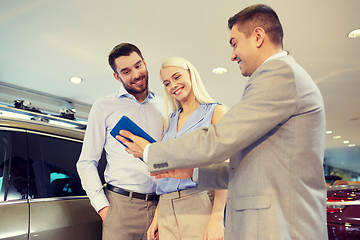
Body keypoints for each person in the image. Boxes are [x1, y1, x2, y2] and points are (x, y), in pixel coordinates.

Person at [118, 4, 328, 240]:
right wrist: (193, 172)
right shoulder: (281, 75)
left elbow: (218, 139)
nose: (232, 55)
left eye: (234, 43)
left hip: (281, 225)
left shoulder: (280, 73)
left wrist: (150, 152)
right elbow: (247, 167)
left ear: (258, 37)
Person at [76, 43, 164, 240]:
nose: (136, 74)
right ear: (117, 76)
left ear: (145, 63)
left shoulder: (164, 106)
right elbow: (86, 162)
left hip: (160, 206)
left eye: (138, 65)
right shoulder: (103, 107)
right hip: (121, 207)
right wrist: (103, 208)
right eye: (126, 71)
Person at [146, 57, 227, 240]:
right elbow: (164, 176)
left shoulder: (216, 112)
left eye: (177, 77)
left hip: (199, 202)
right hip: (167, 206)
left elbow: (225, 169)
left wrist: (216, 217)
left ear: (191, 74)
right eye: (167, 83)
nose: (173, 85)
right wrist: (157, 217)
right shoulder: (169, 121)